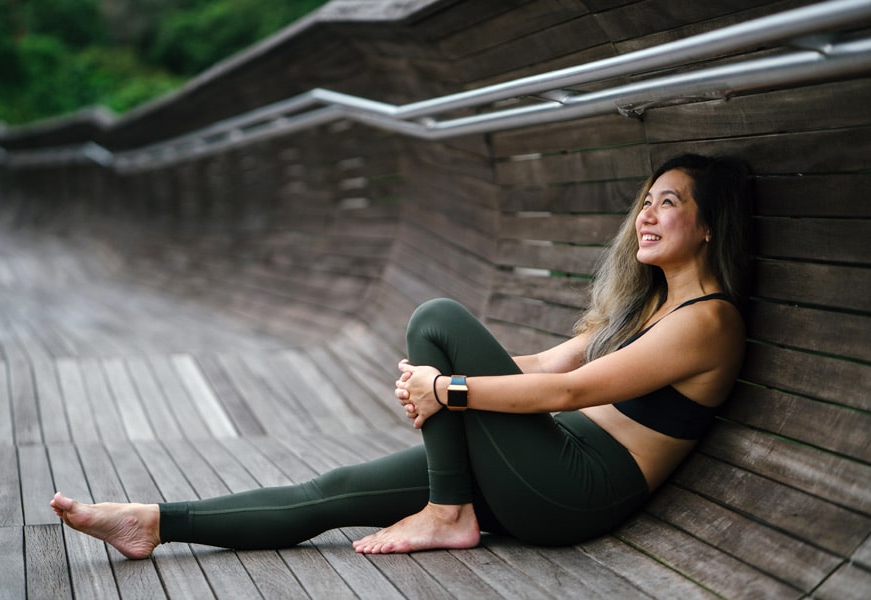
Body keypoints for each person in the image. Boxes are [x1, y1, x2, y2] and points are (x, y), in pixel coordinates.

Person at [50, 153, 753, 558]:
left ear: (708, 225)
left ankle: (449, 513)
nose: (646, 216)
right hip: (543, 462)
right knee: (334, 492)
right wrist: (441, 381)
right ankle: (153, 522)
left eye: (668, 203)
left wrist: (449, 391)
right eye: (645, 202)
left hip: (577, 487)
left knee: (436, 318)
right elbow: (545, 369)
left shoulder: (708, 321)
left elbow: (571, 396)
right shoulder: (648, 306)